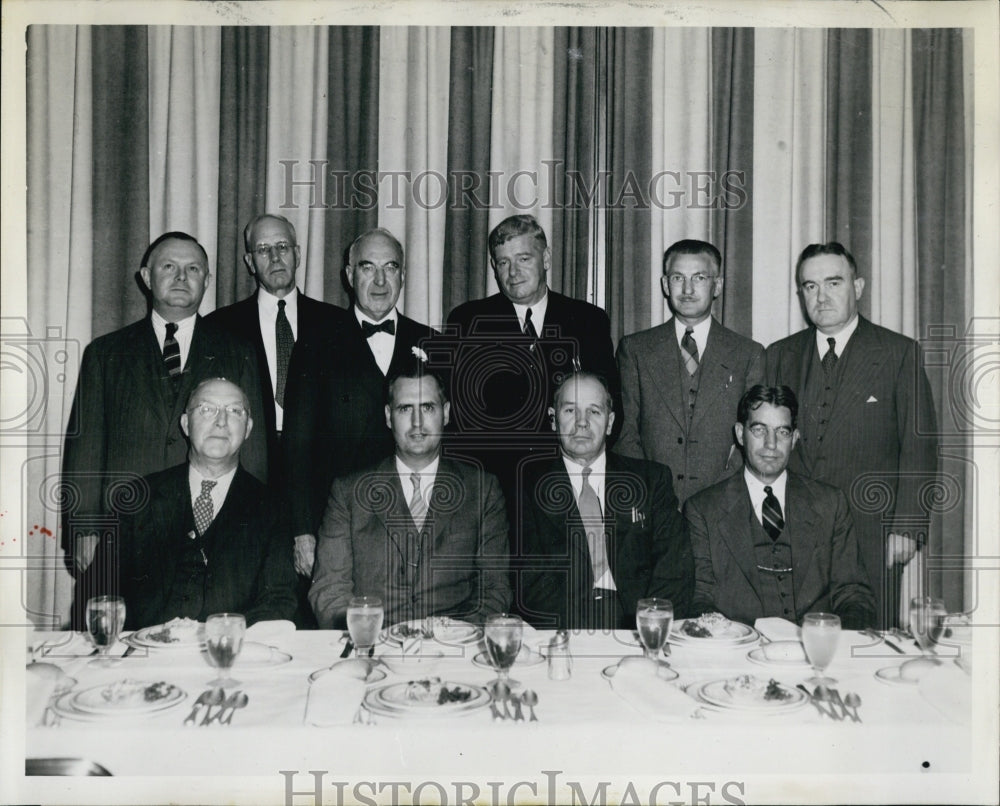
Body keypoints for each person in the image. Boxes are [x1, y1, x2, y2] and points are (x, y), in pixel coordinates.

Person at [62, 232, 267, 627]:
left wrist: (254, 527)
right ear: (146, 276)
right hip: (125, 530)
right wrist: (85, 527)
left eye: (193, 269)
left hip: (211, 524)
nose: (180, 277)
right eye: (168, 267)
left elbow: (252, 447)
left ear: (206, 281)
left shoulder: (237, 350)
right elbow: (86, 445)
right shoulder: (105, 354)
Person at [765, 242, 938, 627]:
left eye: (833, 283)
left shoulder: (898, 354)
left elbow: (919, 450)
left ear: (858, 287)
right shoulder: (780, 355)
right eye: (810, 286)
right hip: (794, 537)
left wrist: (907, 530)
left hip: (870, 538)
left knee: (866, 646)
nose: (821, 297)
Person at [282, 228, 438, 581]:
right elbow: (296, 445)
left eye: (391, 267)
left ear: (402, 275)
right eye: (368, 267)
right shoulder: (315, 344)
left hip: (416, 520)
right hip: (340, 523)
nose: (380, 280)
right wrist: (302, 532)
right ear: (350, 275)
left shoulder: (431, 342)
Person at [309, 362, 511, 628]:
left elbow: (495, 590)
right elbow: (329, 592)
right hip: (375, 648)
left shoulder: (483, 491)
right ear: (388, 416)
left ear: (446, 413)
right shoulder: (348, 493)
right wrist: (370, 638)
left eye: (428, 407)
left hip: (454, 652)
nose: (417, 422)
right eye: (405, 409)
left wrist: (457, 638)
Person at [445, 214, 619, 515]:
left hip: (569, 486)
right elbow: (461, 420)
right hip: (497, 492)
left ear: (546, 258)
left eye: (524, 258)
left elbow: (611, 409)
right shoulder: (468, 321)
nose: (513, 272)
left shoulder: (588, 320)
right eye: (503, 262)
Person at [100, 379, 297, 630]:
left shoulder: (272, 507)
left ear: (247, 428)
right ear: (185, 424)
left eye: (234, 411)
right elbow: (99, 592)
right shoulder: (138, 497)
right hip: (143, 658)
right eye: (206, 409)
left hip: (231, 658)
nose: (221, 421)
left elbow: (278, 602)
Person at [684, 385, 876, 629]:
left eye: (782, 432)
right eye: (759, 430)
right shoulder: (703, 510)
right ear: (740, 434)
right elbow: (700, 600)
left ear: (794, 438)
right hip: (738, 655)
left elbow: (854, 595)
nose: (771, 444)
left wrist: (831, 643)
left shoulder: (830, 503)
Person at [518, 372, 693, 630]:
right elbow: (529, 584)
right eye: (570, 411)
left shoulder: (651, 480)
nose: (582, 423)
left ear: (610, 423)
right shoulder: (526, 487)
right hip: (564, 629)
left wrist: (648, 629)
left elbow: (674, 568)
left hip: (639, 626)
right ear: (553, 420)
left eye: (594, 412)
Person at [616, 239, 765, 503]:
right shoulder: (635, 349)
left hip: (724, 504)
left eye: (699, 278)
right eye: (677, 278)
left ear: (717, 285)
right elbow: (626, 433)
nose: (687, 289)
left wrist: (719, 497)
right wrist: (650, 494)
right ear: (664, 284)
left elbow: (752, 439)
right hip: (653, 504)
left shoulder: (748, 354)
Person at [205, 213, 348, 481]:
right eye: (263, 249)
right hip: (246, 468)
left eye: (282, 247)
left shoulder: (337, 324)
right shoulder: (220, 326)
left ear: (298, 254)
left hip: (320, 473)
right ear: (249, 261)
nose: (274, 257)